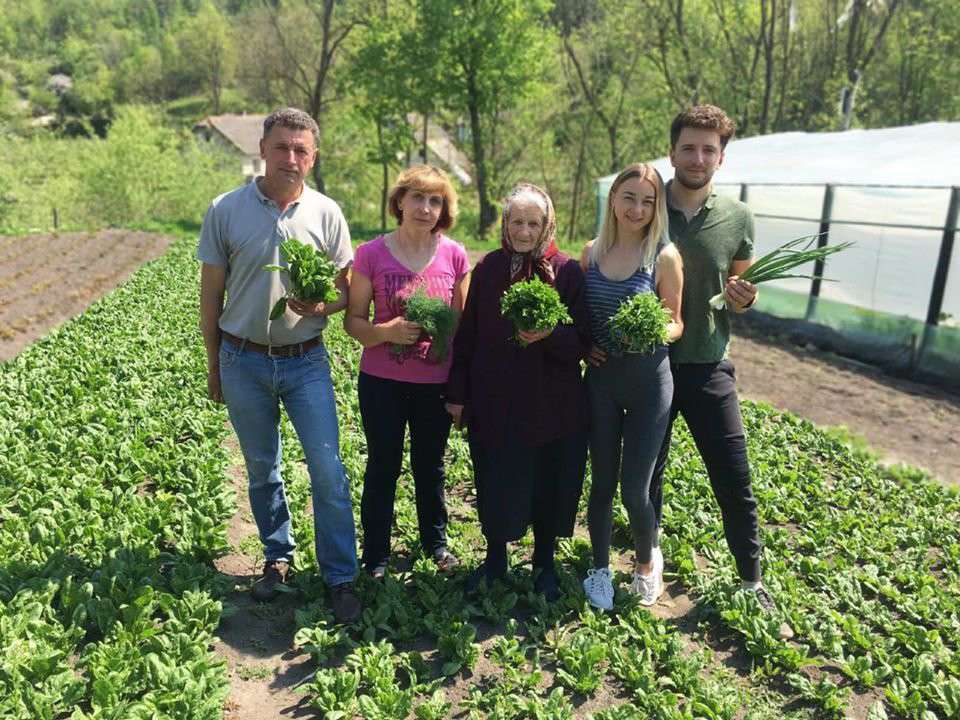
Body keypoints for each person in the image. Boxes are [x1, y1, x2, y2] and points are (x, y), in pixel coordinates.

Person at [198, 107, 361, 623]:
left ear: (312, 158)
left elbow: (347, 291)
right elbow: (211, 296)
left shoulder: (327, 214)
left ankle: (341, 576)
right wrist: (214, 366)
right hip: (241, 358)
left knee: (328, 470)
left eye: (301, 150)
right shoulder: (225, 209)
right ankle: (277, 557)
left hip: (305, 361)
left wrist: (324, 307)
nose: (290, 158)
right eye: (282, 147)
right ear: (263, 150)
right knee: (262, 468)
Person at [649, 104, 792, 637]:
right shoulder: (645, 201)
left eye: (709, 149)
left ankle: (751, 580)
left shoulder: (739, 217)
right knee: (646, 475)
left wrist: (743, 297)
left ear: (722, 157)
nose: (697, 157)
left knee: (733, 476)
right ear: (672, 152)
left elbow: (739, 292)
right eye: (688, 147)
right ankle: (649, 560)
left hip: (708, 365)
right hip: (650, 366)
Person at [445, 183, 590, 600]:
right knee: (495, 478)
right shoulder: (490, 268)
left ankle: (543, 563)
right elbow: (467, 335)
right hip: (496, 401)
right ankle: (495, 560)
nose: (525, 231)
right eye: (517, 222)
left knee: (550, 480)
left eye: (534, 223)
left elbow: (582, 342)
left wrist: (549, 333)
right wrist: (458, 392)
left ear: (548, 225)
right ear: (505, 225)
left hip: (553, 404)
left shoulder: (567, 272)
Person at [344, 165, 469, 578]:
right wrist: (388, 332)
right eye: (417, 197)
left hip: (434, 382)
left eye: (436, 201)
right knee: (384, 464)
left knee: (430, 466)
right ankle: (376, 555)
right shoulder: (371, 254)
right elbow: (353, 323)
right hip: (382, 382)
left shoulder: (454, 254)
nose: (426, 208)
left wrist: (457, 386)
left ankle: (436, 545)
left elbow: (459, 327)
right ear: (399, 201)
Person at [580, 164, 684, 611]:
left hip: (648, 385)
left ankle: (645, 563)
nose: (637, 208)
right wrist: (585, 347)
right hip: (601, 383)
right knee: (601, 483)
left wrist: (656, 332)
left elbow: (677, 322)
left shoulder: (664, 256)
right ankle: (599, 569)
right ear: (613, 201)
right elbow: (579, 317)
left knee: (634, 490)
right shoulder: (591, 253)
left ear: (656, 206)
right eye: (629, 197)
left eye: (647, 200)